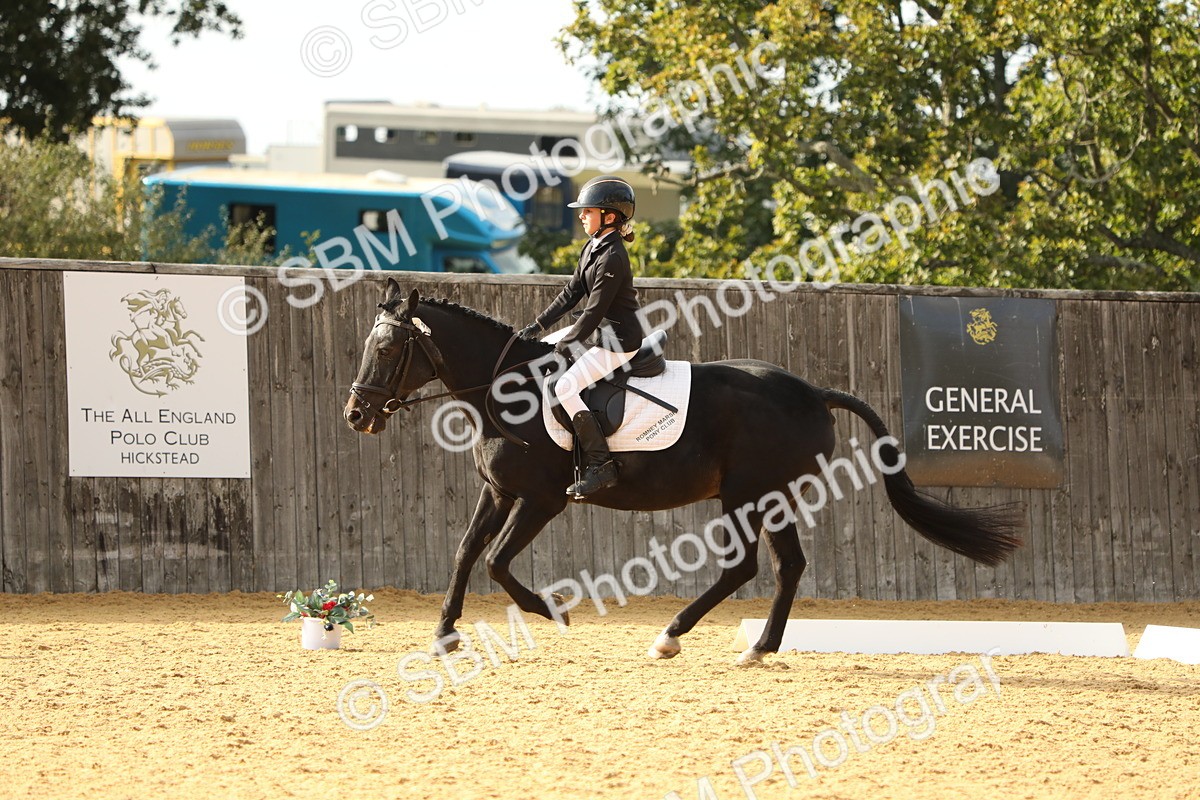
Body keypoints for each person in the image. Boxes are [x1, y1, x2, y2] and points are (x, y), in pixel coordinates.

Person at [519, 175, 648, 498]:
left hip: (618, 341)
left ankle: (601, 464)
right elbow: (571, 293)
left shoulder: (613, 256)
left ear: (609, 216)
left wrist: (566, 344)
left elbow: (593, 310)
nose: (580, 216)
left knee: (564, 386)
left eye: (587, 211)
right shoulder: (593, 246)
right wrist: (537, 326)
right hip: (599, 334)